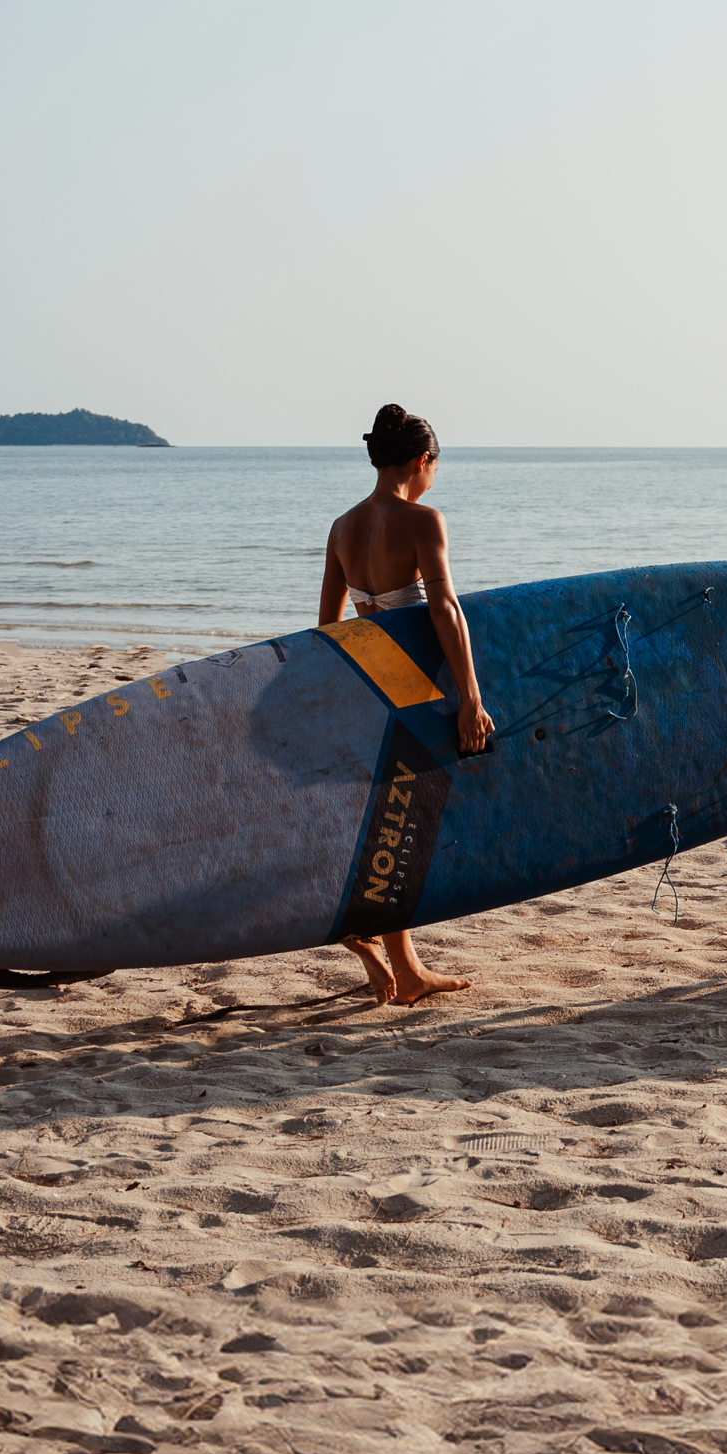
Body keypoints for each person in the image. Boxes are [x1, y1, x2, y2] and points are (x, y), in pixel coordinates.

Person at [319, 404, 496, 1008]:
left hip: (370, 686)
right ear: (423, 460)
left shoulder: (342, 528)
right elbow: (445, 608)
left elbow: (328, 627)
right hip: (418, 691)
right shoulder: (424, 520)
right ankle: (379, 942)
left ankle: (402, 963)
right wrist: (470, 698)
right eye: (435, 466)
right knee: (409, 827)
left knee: (389, 824)